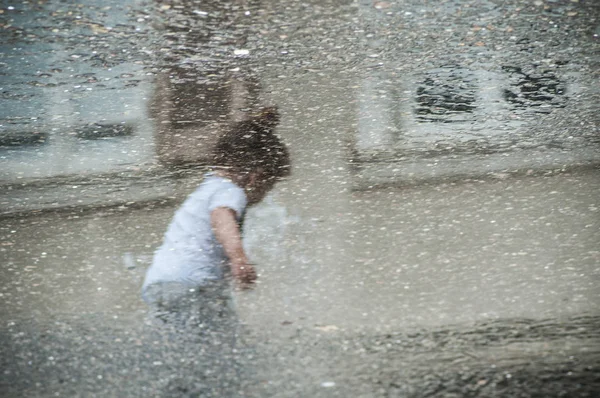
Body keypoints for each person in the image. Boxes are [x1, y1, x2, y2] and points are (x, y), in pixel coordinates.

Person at [141, 107, 290, 329]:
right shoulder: (231, 191)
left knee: (181, 343)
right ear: (256, 177)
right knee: (222, 343)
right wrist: (239, 259)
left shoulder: (208, 187)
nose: (266, 194)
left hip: (162, 282)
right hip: (195, 284)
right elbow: (221, 218)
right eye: (269, 186)